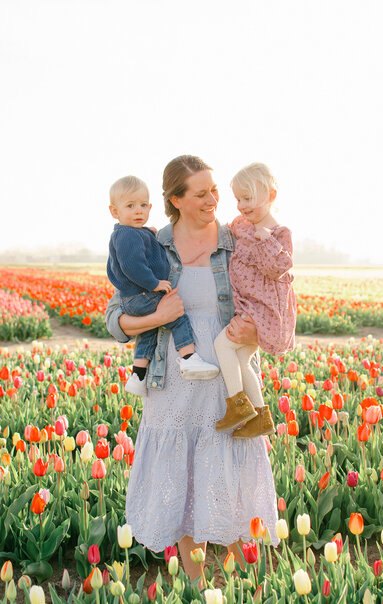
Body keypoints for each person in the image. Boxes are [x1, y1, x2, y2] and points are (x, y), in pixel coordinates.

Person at [105, 155, 279, 585]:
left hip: (226, 380)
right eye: (201, 194)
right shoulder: (149, 244)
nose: (213, 200)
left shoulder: (236, 239)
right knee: (183, 482)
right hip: (174, 382)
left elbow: (270, 297)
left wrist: (257, 329)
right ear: (175, 200)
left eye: (214, 191)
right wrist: (157, 315)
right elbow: (115, 319)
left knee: (232, 477)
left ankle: (249, 585)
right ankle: (200, 587)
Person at [107, 175, 219, 396]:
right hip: (141, 293)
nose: (138, 211)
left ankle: (138, 374)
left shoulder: (142, 233)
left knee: (148, 331)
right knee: (177, 315)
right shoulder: (127, 235)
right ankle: (188, 358)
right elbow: (132, 265)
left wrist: (152, 237)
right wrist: (154, 284)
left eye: (143, 205)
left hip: (138, 296)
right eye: (130, 206)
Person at [214, 163, 296, 438]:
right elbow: (222, 230)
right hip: (246, 305)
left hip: (262, 309)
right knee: (241, 358)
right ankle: (260, 416)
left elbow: (279, 267)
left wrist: (265, 242)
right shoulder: (243, 226)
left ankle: (238, 405)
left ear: (271, 195)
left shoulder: (278, 234)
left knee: (221, 344)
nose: (241, 205)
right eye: (238, 199)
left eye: (248, 198)